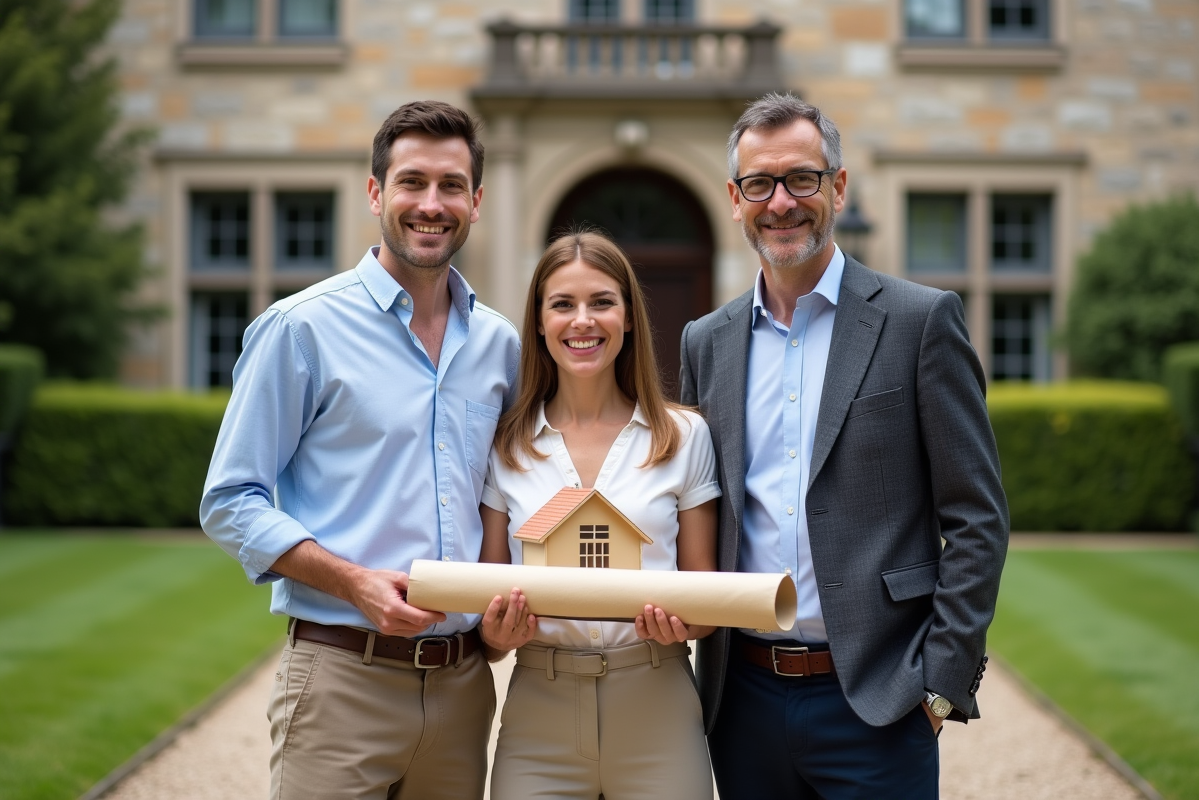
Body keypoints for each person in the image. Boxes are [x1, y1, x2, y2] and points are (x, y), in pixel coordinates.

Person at [680, 92, 1009, 799]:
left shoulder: (921, 322)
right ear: (735, 200)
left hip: (880, 704)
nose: (781, 203)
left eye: (801, 178)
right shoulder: (705, 343)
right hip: (741, 703)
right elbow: (689, 508)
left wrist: (939, 691)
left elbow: (977, 519)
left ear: (838, 185)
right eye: (759, 184)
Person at [199, 100, 519, 800]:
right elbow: (229, 501)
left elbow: (513, 497)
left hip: (466, 690)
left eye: (450, 186)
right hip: (342, 679)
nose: (430, 204)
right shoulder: (301, 329)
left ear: (477, 200)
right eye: (412, 182)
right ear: (376, 192)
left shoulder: (501, 344)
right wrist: (354, 582)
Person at [477, 229, 720, 800]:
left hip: (657, 702)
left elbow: (707, 594)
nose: (582, 320)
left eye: (602, 302)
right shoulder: (505, 446)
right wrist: (496, 632)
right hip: (540, 705)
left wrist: (688, 621)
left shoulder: (683, 437)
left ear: (629, 317)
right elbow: (486, 613)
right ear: (539, 322)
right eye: (562, 304)